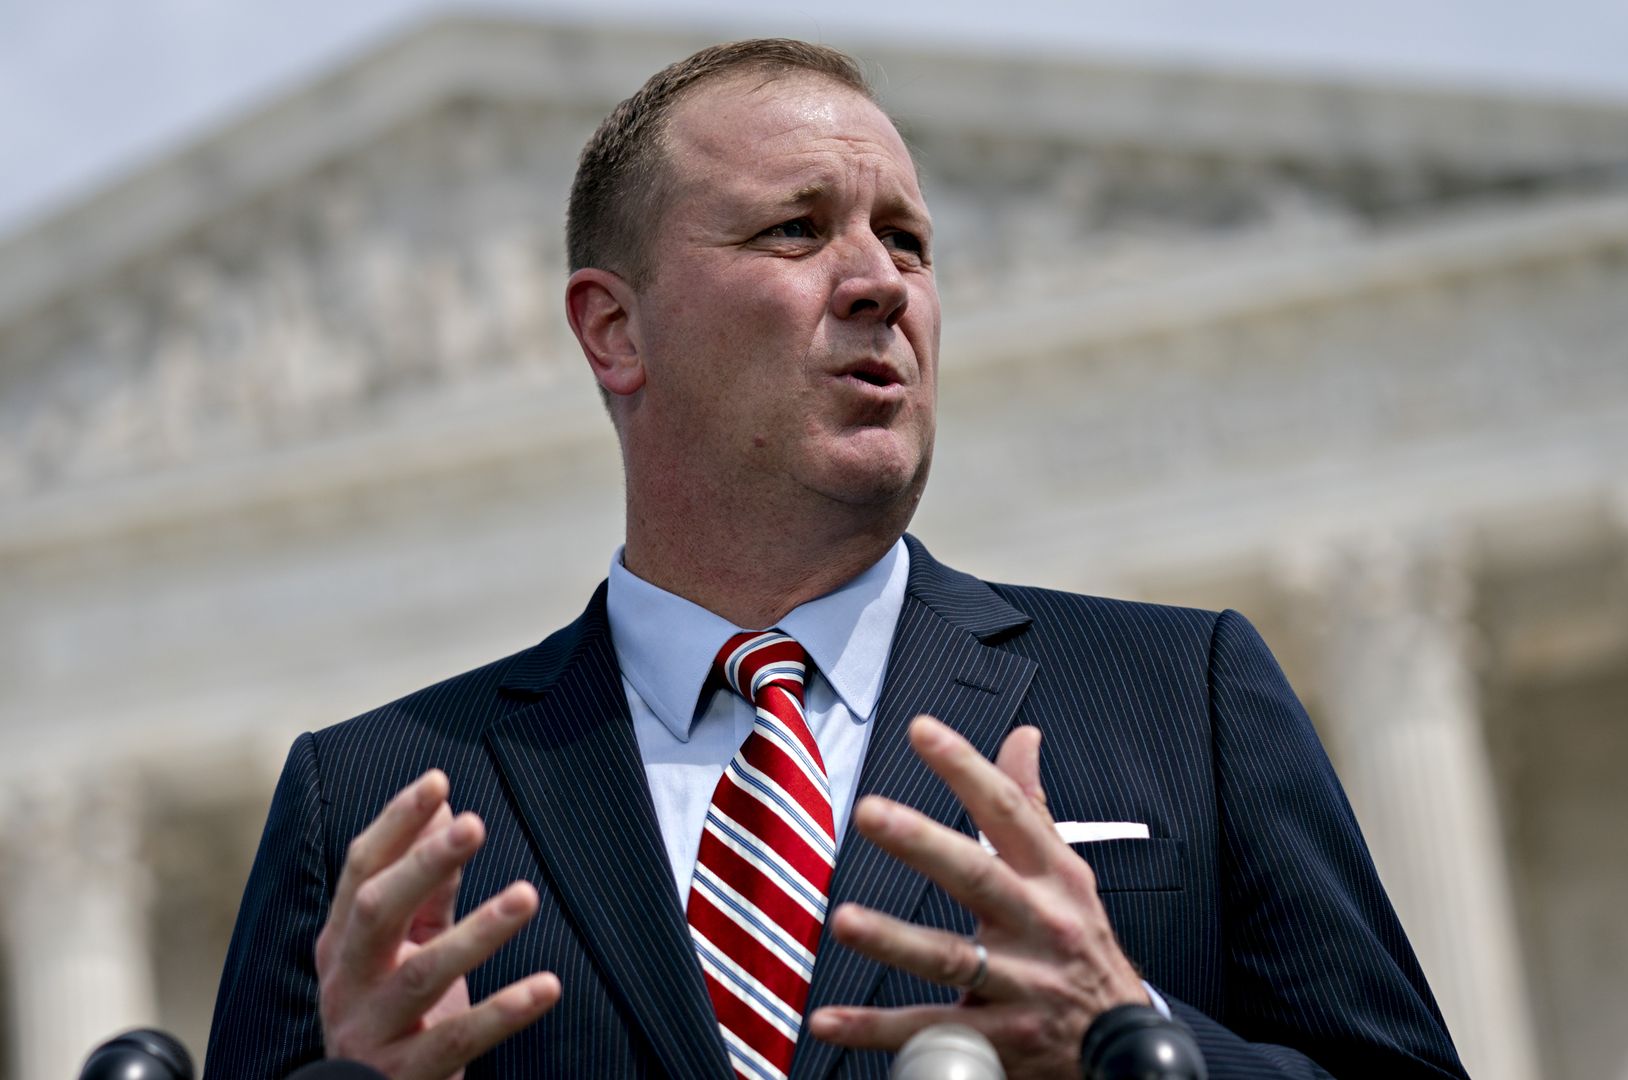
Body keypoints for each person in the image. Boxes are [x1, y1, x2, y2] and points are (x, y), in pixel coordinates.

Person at [205, 39, 1466, 1080]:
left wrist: (1129, 1035)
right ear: (613, 328)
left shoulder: (1182, 698)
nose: (881, 283)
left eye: (909, 241)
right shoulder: (373, 802)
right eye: (797, 231)